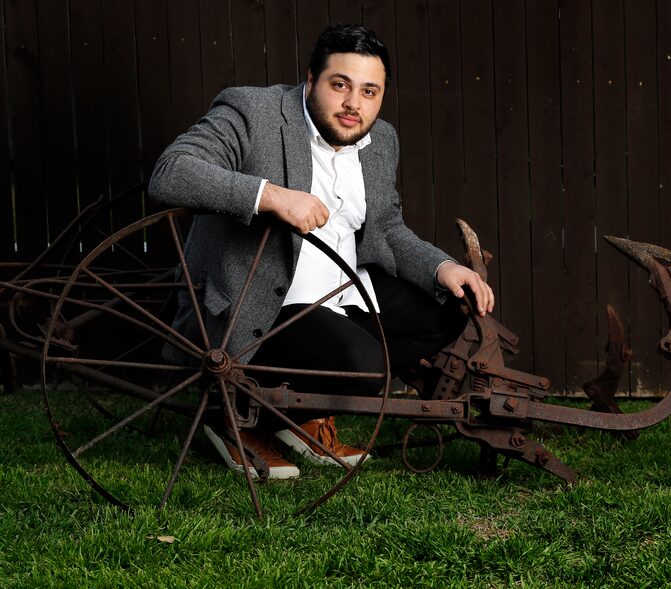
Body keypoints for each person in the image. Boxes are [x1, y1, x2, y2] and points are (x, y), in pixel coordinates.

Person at [149, 24, 494, 479]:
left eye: (370, 91)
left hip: (345, 293)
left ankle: (294, 414)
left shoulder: (380, 141)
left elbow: (387, 228)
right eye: (340, 85)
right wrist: (271, 196)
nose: (355, 104)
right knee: (366, 370)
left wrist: (442, 267)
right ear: (310, 80)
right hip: (266, 305)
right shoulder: (252, 112)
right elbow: (171, 173)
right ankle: (231, 413)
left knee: (451, 310)